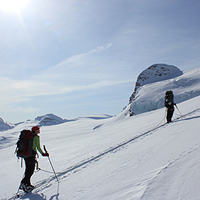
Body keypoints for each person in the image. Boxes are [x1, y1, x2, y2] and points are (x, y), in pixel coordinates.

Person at [19, 126, 49, 192]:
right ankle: (25, 184)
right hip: (31, 155)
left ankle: (26, 184)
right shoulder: (36, 137)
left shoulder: (30, 136)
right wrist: (43, 154)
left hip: (26, 155)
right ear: (35, 130)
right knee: (30, 171)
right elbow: (38, 147)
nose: (39, 130)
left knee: (28, 170)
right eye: (38, 129)